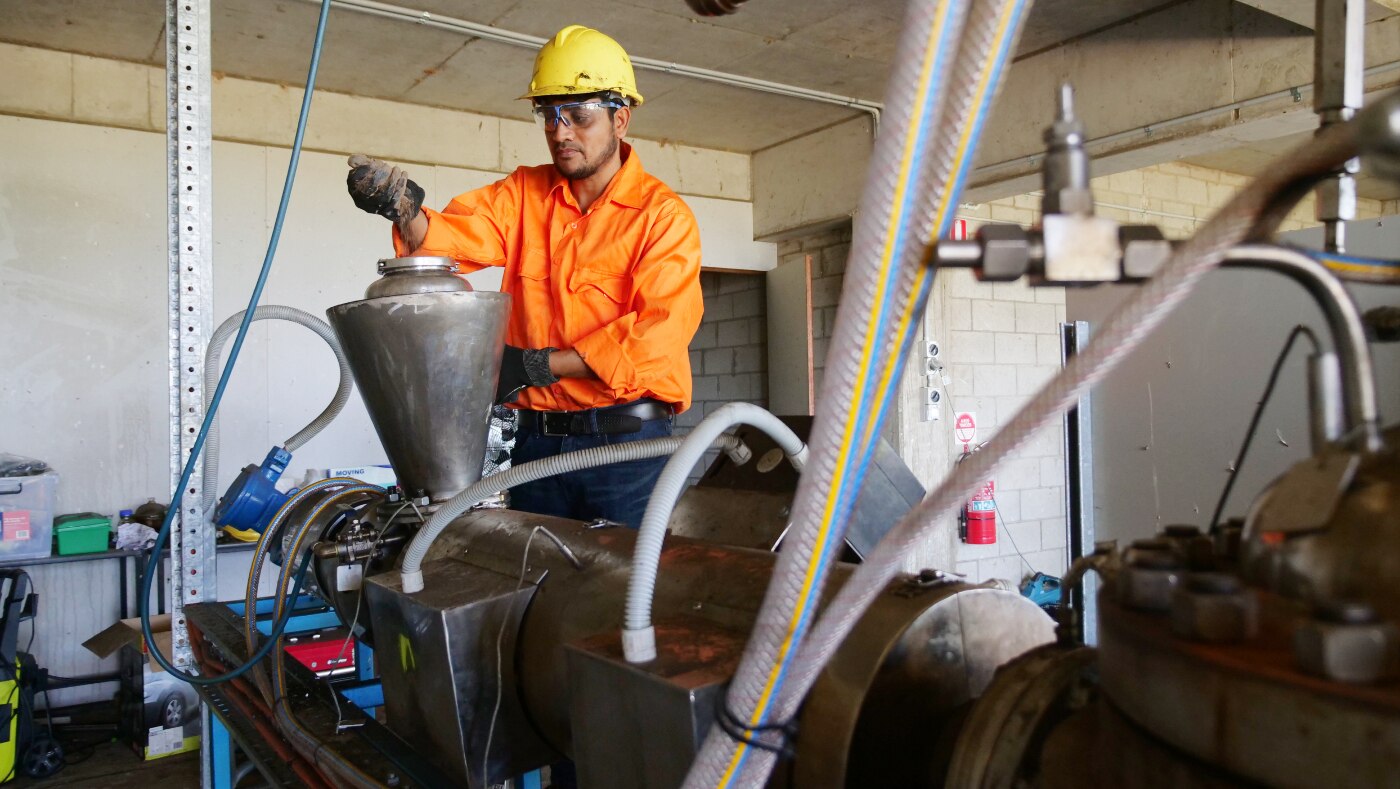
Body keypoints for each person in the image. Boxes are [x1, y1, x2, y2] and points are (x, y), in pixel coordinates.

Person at [345, 24, 703, 530]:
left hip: (625, 450)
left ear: (620, 118)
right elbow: (456, 237)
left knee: (621, 593)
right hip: (535, 444)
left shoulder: (662, 217)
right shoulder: (524, 194)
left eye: (578, 116)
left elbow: (655, 340)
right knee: (532, 586)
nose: (560, 132)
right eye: (549, 115)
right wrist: (403, 210)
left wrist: (535, 366)